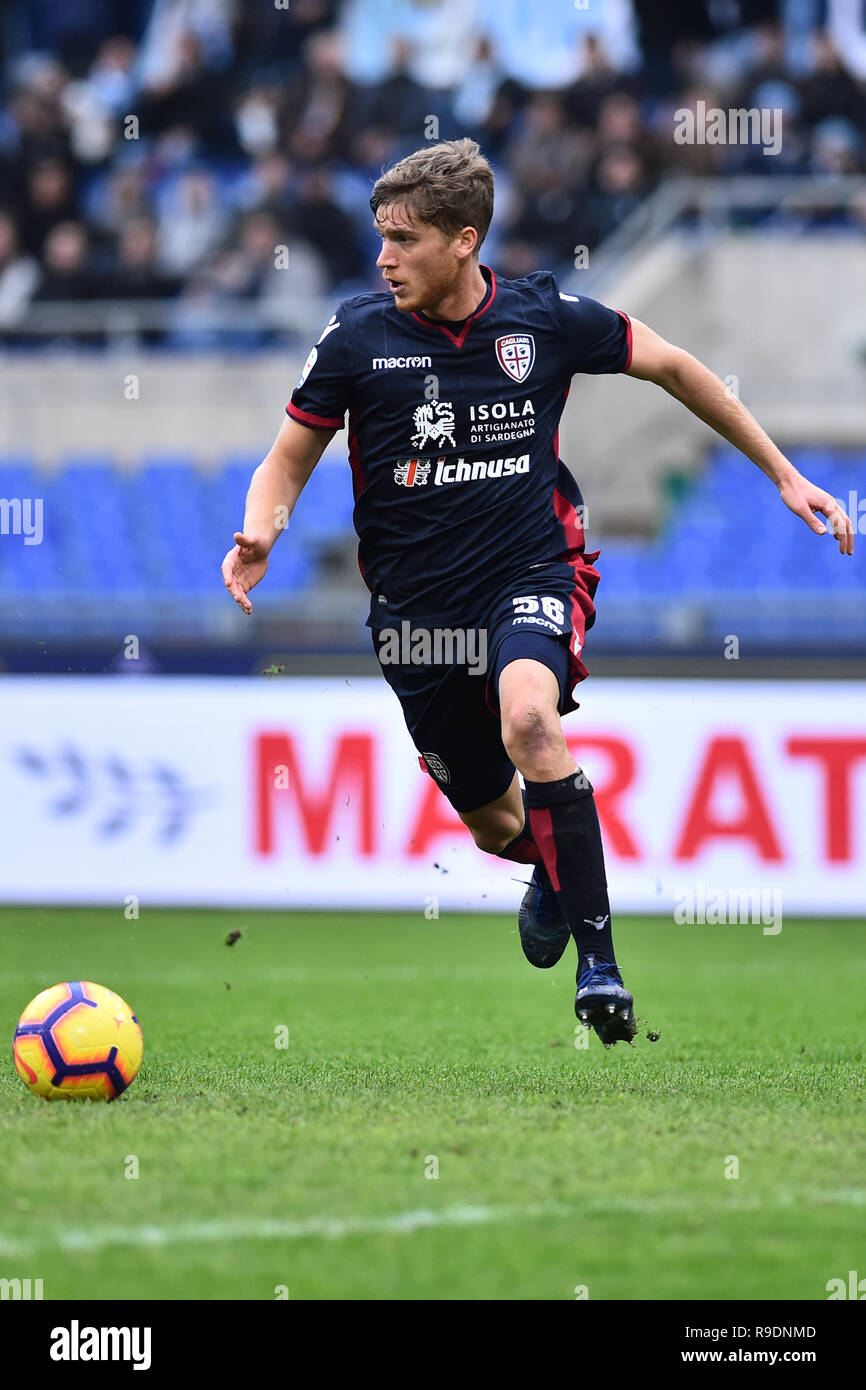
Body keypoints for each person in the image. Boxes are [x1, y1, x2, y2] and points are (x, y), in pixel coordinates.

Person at [222, 139, 853, 1046]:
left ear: (464, 240)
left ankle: (602, 972)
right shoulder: (358, 337)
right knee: (492, 823)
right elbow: (286, 460)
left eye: (403, 239)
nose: (383, 257)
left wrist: (784, 476)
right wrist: (263, 531)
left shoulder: (542, 320)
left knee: (530, 721)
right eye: (381, 238)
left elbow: (673, 364)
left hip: (531, 573)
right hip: (416, 621)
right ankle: (557, 869)